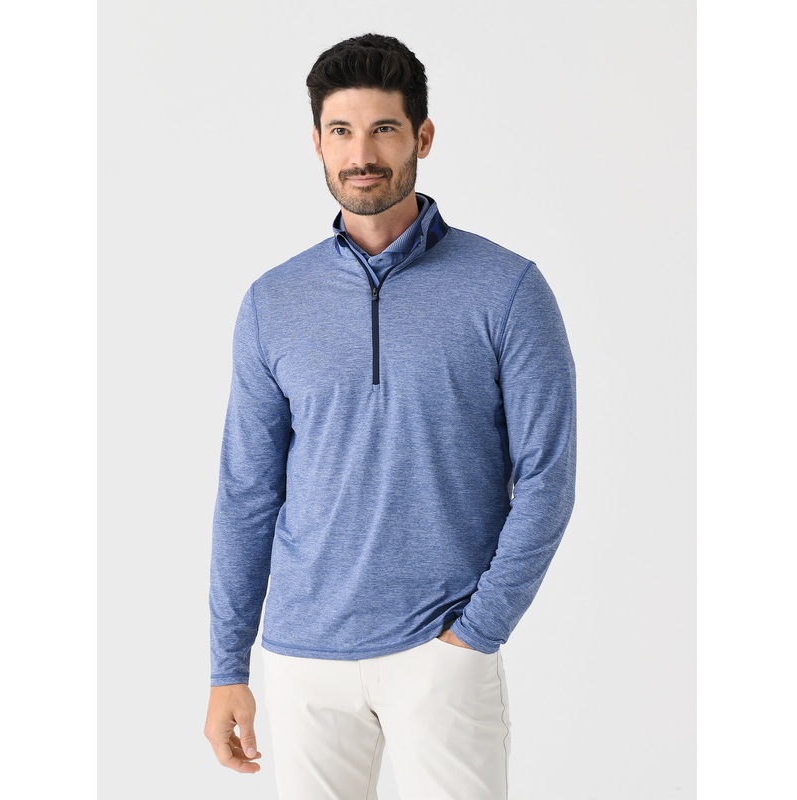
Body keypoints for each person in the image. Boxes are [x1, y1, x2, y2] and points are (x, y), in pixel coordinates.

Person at [204, 32, 576, 800]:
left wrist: (477, 633)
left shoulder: (507, 290)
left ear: (423, 137)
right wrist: (227, 667)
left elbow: (547, 477)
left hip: (440, 650)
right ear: (317, 143)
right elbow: (247, 492)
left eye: (384, 129)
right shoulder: (274, 302)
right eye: (341, 131)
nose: (362, 153)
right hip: (304, 658)